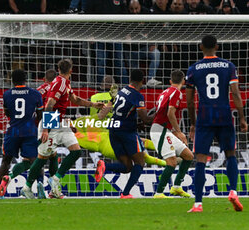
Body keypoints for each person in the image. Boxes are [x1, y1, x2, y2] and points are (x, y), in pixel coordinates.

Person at [20, 59, 104, 199]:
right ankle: (26, 187)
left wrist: (94, 104)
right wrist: (46, 129)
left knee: (76, 151)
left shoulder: (65, 83)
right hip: (51, 122)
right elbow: (49, 106)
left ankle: (56, 180)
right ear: (71, 70)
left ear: (59, 70)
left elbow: (76, 100)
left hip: (60, 123)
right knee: (42, 157)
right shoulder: (60, 83)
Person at [186, 35, 247, 212]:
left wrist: (192, 123)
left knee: (200, 160)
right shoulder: (229, 66)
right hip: (224, 115)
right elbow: (235, 94)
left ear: (200, 47)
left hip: (205, 117)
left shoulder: (194, 69)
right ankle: (234, 191)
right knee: (230, 154)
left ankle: (198, 203)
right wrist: (242, 118)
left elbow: (189, 102)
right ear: (217, 47)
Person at [95, 69, 155, 199]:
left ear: (130, 79)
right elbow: (145, 118)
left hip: (113, 131)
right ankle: (125, 193)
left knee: (127, 166)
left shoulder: (121, 91)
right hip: (127, 133)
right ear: (142, 81)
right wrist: (159, 114)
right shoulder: (137, 96)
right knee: (140, 162)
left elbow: (113, 110)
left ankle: (105, 166)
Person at [0, 69, 44, 199]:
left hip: (13, 131)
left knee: (6, 161)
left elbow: (7, 113)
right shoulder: (35, 94)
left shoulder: (7, 94)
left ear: (12, 80)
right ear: (26, 79)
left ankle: (0, 193)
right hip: (30, 131)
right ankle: (40, 186)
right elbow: (40, 116)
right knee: (36, 161)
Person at [150, 70, 194, 198]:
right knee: (172, 162)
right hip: (160, 130)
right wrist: (179, 132)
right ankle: (158, 193)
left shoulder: (165, 91)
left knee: (188, 156)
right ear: (183, 82)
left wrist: (174, 131)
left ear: (170, 81)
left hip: (164, 129)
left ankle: (176, 187)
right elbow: (170, 113)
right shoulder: (177, 93)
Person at [86, 0, 129, 84]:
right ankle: (100, 88)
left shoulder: (119, 1)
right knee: (100, 63)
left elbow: (125, 15)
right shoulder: (94, 2)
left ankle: (125, 87)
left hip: (116, 36)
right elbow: (88, 15)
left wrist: (126, 33)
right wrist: (90, 33)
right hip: (99, 36)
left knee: (119, 63)